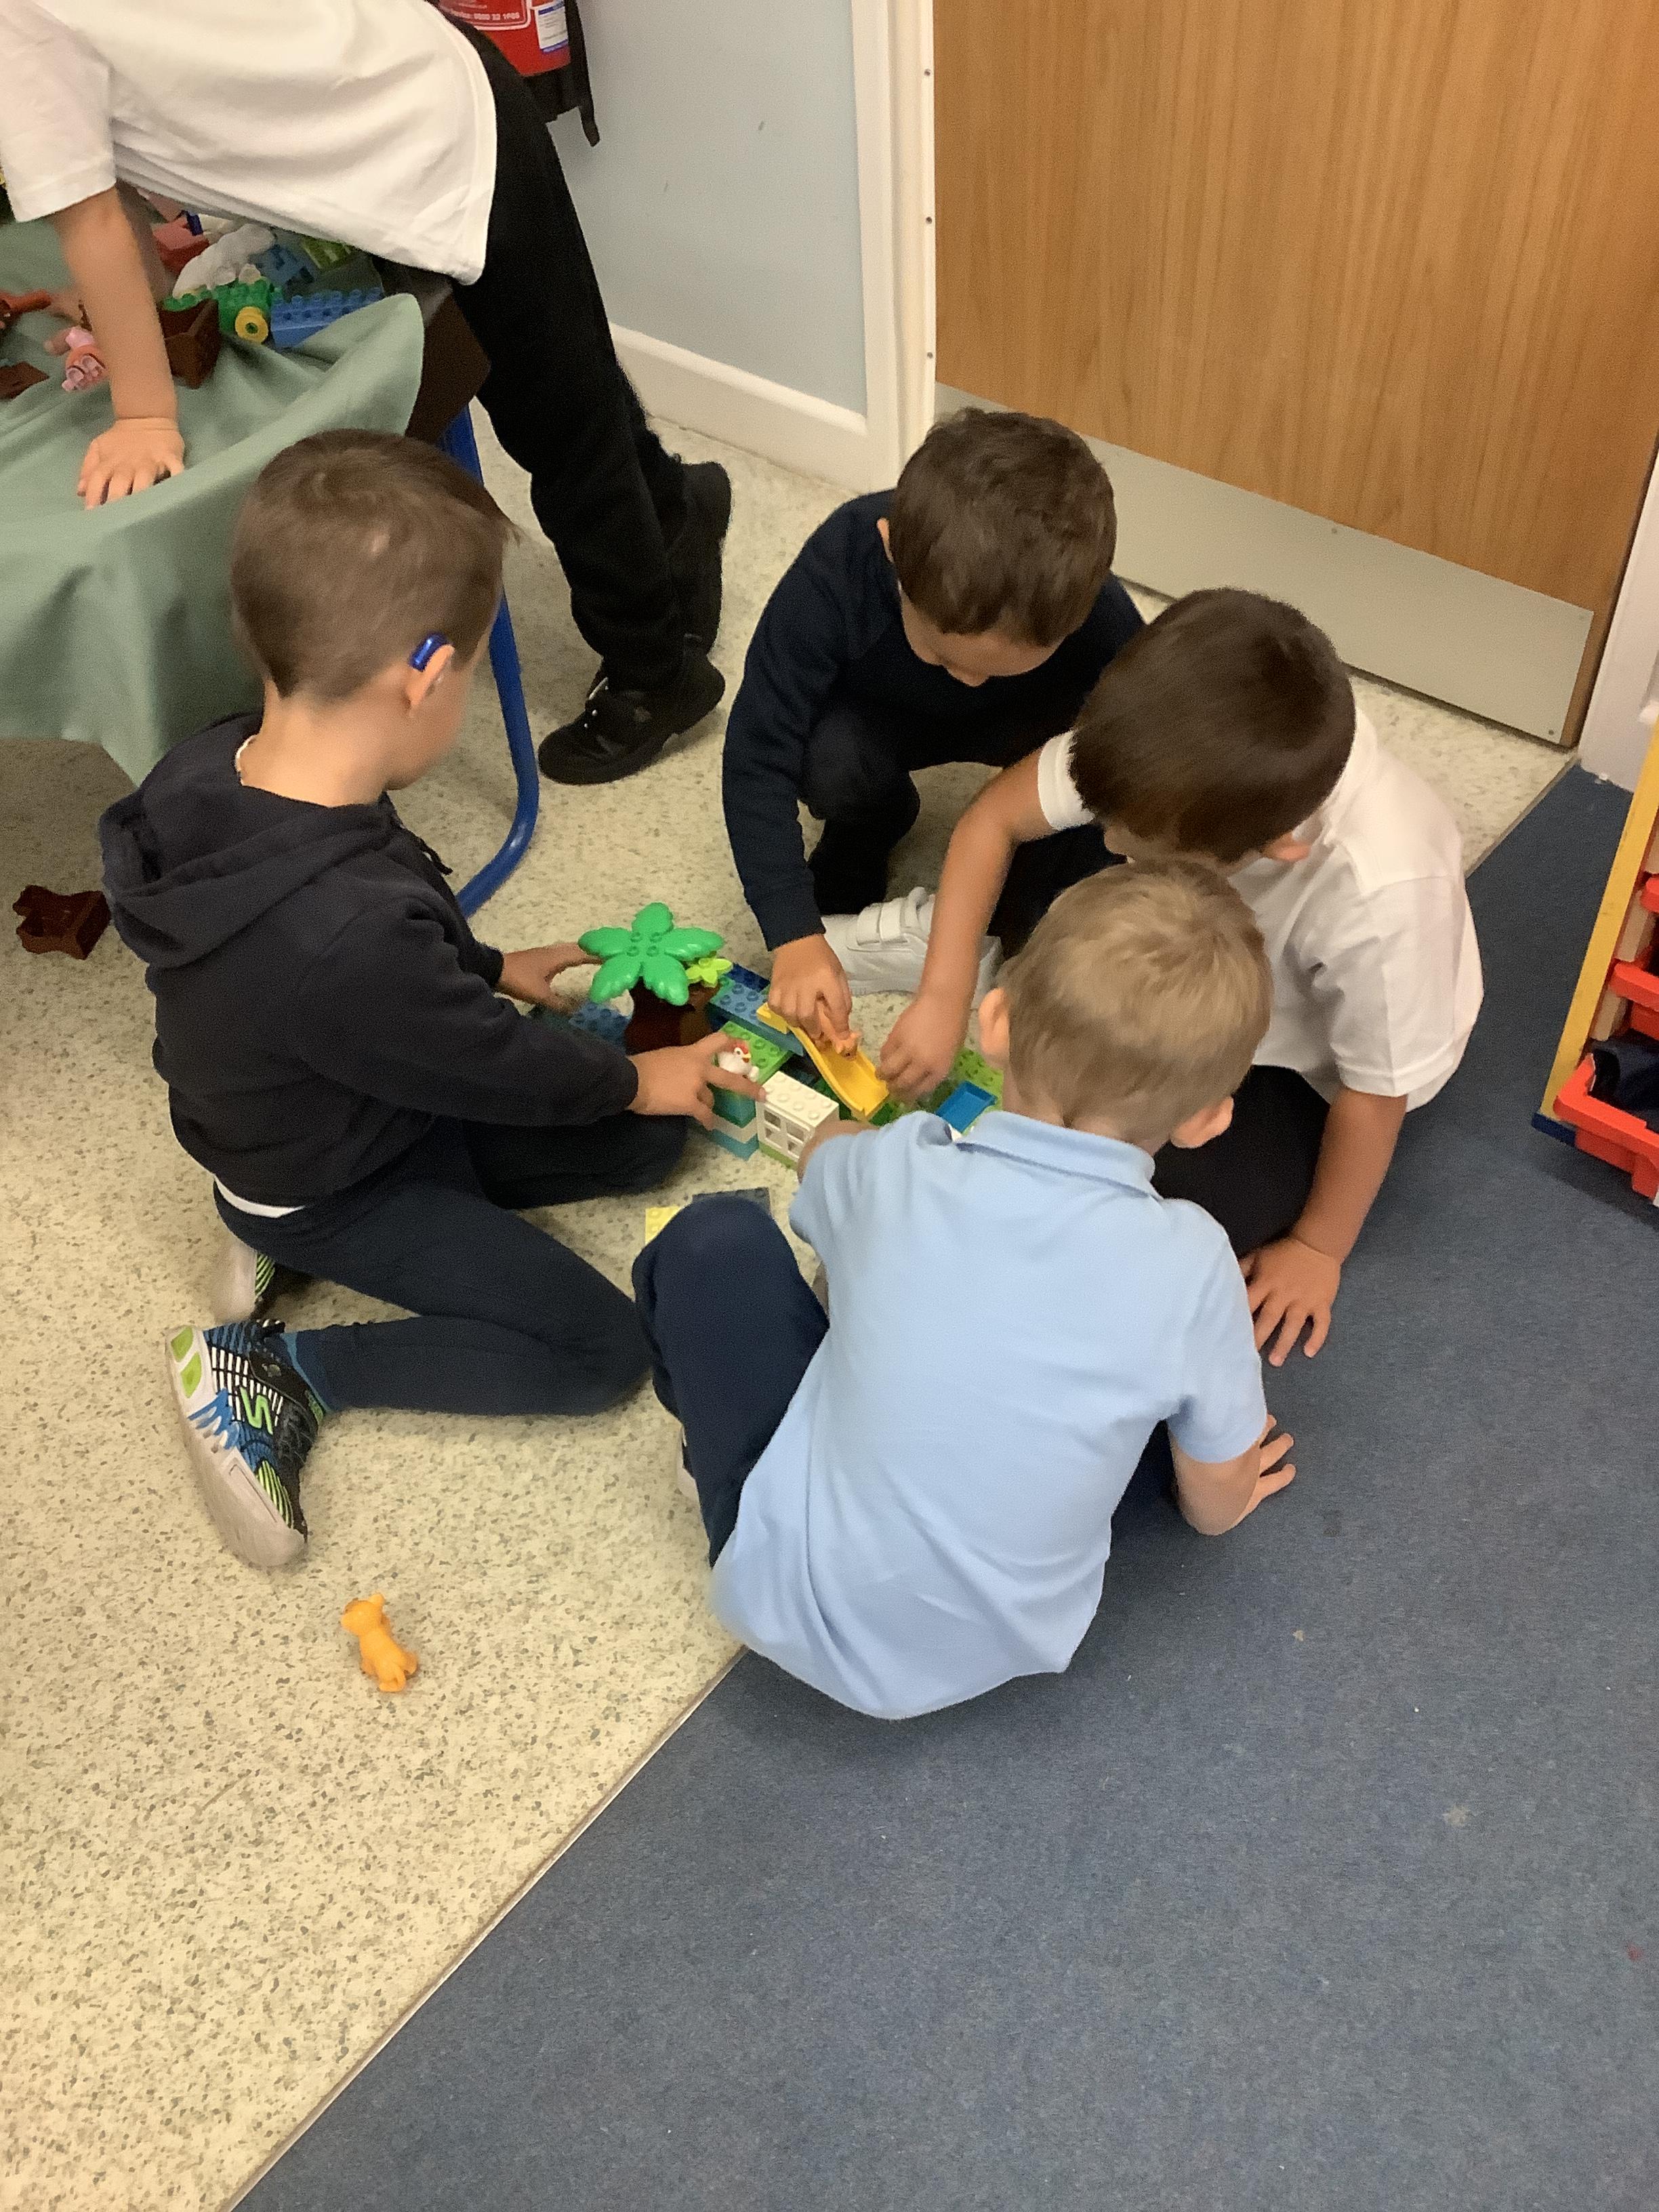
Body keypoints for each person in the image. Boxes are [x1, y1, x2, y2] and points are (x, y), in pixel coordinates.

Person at [99, 432, 760, 1572]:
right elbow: (478, 1056)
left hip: (332, 1099)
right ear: (424, 675)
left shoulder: (225, 760)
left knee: (650, 1139)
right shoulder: (344, 938)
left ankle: (266, 1238)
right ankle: (279, 1371)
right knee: (600, 1348)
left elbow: (384, 941)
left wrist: (487, 964)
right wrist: (627, 1072)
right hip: (337, 1181)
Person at [634, 861, 1296, 1723]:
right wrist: (1231, 1495)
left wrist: (853, 1135)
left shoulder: (901, 1166)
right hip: (1001, 1642)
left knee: (712, 1238)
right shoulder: (1197, 1260)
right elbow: (1211, 1508)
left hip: (781, 1591)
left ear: (995, 1022)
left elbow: (821, 1158)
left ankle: (713, 1472)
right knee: (1142, 1407)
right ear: (1208, 1117)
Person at [0, 0, 726, 778]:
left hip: (429, 135)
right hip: (417, 84)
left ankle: (656, 673)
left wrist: (146, 415)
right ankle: (676, 506)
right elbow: (110, 181)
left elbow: (95, 222)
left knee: (557, 421)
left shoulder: (20, 29)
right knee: (568, 366)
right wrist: (135, 309)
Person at [880, 588, 1483, 1368]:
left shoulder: (1382, 895)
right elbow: (993, 818)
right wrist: (943, 991)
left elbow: (1375, 1094)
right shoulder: (1175, 740)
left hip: (1311, 1072)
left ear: (1279, 847)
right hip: (1189, 943)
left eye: (1141, 844)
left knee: (1155, 1210)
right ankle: (974, 941)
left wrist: (1318, 1247)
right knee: (1051, 862)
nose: (1113, 845)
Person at [721, 407, 1143, 1045]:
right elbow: (758, 752)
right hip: (878, 722)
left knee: (1090, 810)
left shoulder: (1099, 618)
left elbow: (1140, 763)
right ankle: (871, 824)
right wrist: (793, 933)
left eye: (1001, 667)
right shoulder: (840, 565)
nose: (968, 681)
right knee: (828, 757)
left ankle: (1027, 884)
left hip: (1032, 735)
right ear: (892, 549)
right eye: (943, 656)